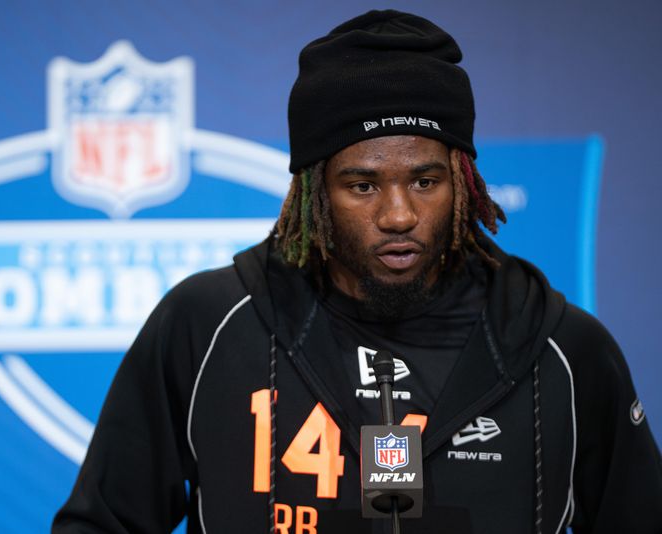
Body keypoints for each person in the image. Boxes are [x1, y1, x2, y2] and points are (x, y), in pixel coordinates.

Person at [53, 10, 662, 533]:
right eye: (362, 184)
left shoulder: (564, 350)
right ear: (314, 192)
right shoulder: (207, 325)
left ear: (464, 182)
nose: (398, 214)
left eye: (425, 181)